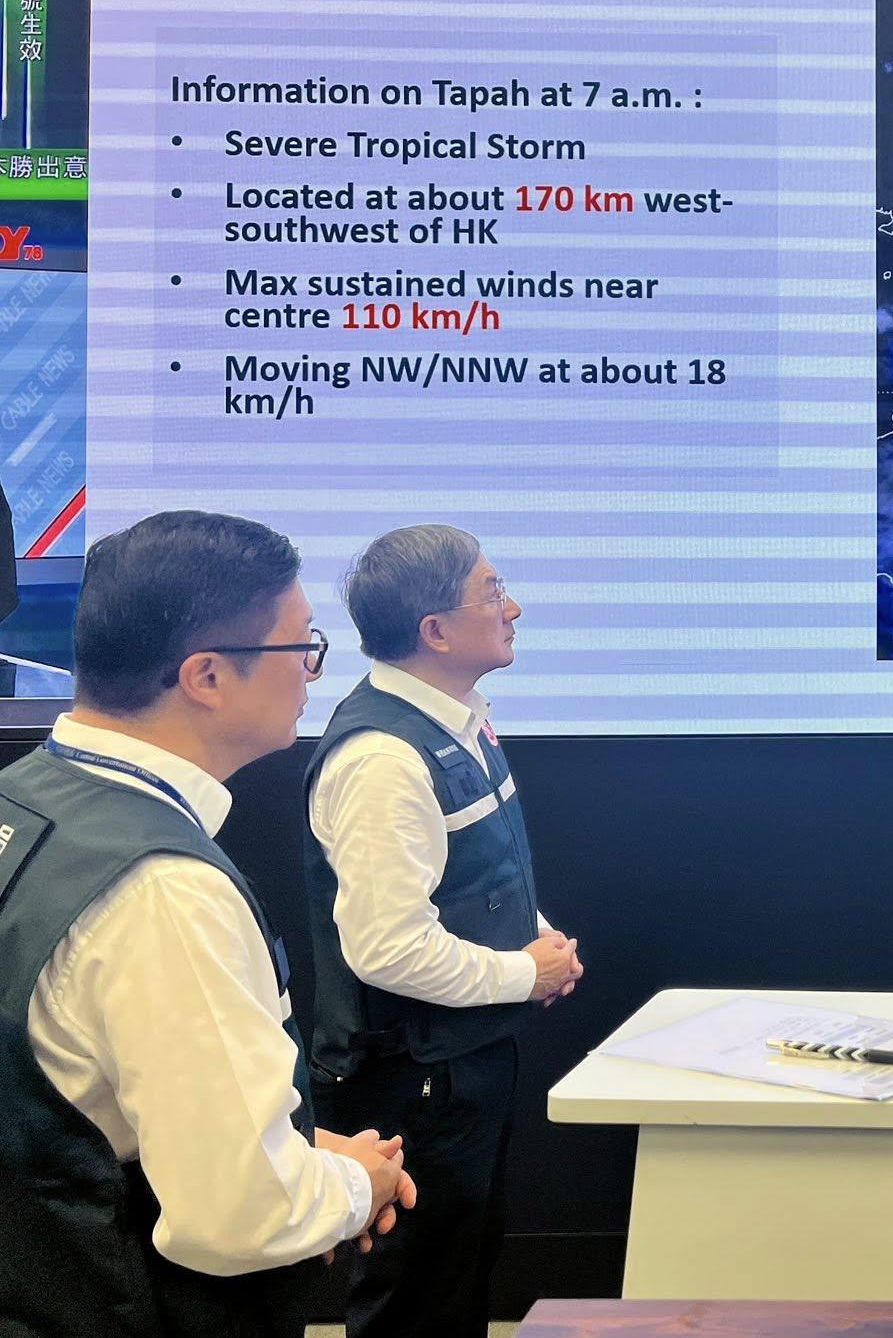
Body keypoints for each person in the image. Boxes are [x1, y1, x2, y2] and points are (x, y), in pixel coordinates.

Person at [0, 510, 416, 1338]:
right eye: (301, 646)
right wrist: (357, 1185)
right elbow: (238, 1216)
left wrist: (291, 1148)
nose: (312, 672)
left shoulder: (25, 802)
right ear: (207, 676)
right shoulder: (165, 891)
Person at [305, 524, 582, 1338]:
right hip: (415, 1081)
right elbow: (386, 948)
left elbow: (474, 875)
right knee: (417, 1299)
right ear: (435, 630)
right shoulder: (382, 760)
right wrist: (524, 974)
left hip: (464, 1060)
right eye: (492, 593)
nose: (513, 608)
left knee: (460, 1279)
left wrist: (540, 941)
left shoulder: (459, 721)